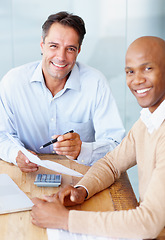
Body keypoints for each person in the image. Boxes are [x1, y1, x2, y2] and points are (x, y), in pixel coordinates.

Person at [31, 36, 165, 239]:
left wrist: (65, 220)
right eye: (130, 71)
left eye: (148, 69)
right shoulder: (149, 120)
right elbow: (112, 163)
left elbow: (148, 223)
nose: (137, 80)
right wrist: (81, 190)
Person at [0, 11, 125, 173]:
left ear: (79, 51)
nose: (61, 57)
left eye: (70, 49)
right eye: (54, 46)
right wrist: (15, 154)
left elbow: (116, 144)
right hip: (28, 173)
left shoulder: (95, 83)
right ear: (42, 45)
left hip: (81, 175)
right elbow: (2, 135)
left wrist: (82, 149)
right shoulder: (14, 82)